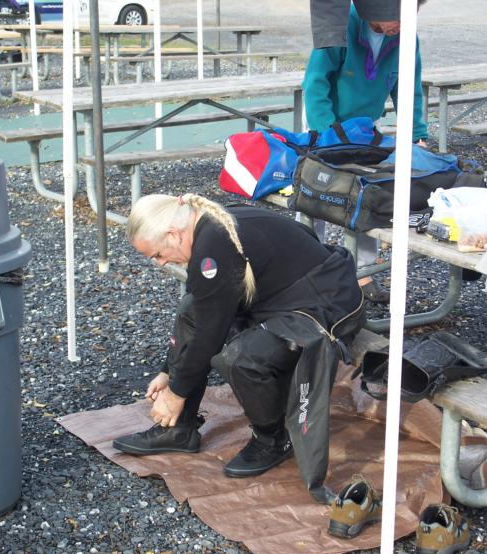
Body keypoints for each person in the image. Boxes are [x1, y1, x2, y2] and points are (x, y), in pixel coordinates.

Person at [112, 193, 365, 501]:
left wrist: (176, 393)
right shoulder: (210, 228)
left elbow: (209, 334)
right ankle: (180, 429)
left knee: (240, 359)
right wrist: (169, 373)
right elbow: (201, 316)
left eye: (157, 255)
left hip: (322, 301)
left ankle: (273, 439)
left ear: (173, 234)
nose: (161, 263)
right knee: (189, 310)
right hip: (281, 293)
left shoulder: (213, 248)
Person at [303, 0, 428, 304]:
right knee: (312, 191)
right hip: (326, 120)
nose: (399, 26)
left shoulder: (407, 37)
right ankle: (307, 266)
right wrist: (324, 132)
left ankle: (364, 271)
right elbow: (315, 83)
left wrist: (417, 135)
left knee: (368, 193)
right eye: (394, 21)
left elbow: (408, 89)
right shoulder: (340, 25)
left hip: (364, 127)